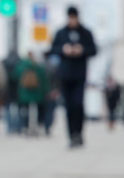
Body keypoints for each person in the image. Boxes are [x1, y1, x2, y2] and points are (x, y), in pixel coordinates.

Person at [50, 6, 97, 148]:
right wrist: (63, 50)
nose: (72, 20)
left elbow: (93, 50)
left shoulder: (85, 33)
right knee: (68, 107)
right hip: (65, 75)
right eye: (70, 17)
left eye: (74, 17)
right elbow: (53, 49)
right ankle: (71, 135)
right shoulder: (61, 33)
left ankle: (79, 133)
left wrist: (82, 50)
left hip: (79, 75)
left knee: (78, 104)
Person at [13, 51, 50, 135]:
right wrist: (46, 91)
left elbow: (14, 77)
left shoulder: (21, 66)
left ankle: (25, 127)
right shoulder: (38, 67)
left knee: (25, 111)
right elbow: (44, 80)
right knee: (37, 111)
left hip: (24, 93)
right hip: (37, 93)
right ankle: (36, 127)